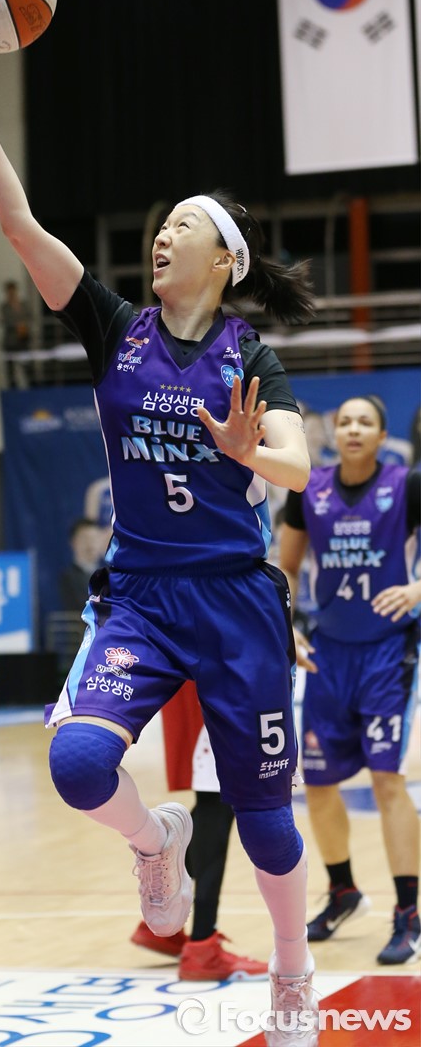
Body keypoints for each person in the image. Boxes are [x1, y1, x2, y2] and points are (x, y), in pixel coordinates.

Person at [0, 37, 320, 1044]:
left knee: (266, 819)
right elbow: (19, 226)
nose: (161, 237)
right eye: (160, 226)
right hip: (139, 595)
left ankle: (293, 970)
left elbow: (299, 467)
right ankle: (153, 841)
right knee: (81, 764)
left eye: (183, 227)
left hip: (236, 598)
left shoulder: (248, 354)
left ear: (224, 261)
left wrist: (249, 451)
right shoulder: (114, 327)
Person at [278, 395, 421, 966]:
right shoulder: (307, 489)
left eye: (365, 422)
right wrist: (286, 626)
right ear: (332, 432)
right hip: (328, 654)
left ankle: (408, 912)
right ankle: (343, 892)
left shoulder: (408, 485)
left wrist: (417, 589)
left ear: (383, 436)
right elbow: (287, 568)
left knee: (387, 780)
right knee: (317, 783)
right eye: (345, 421)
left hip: (388, 653)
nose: (354, 428)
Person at [131, 680, 269, 981]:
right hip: (214, 675)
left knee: (217, 796)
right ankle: (202, 945)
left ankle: (163, 921)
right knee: (218, 796)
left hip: (206, 675)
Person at [58, 517, 106, 613]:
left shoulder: (110, 574)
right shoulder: (68, 577)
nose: (90, 544)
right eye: (85, 539)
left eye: (94, 539)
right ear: (73, 542)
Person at [0, 278, 31, 387]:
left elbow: (29, 317)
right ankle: (13, 387)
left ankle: (29, 386)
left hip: (23, 339)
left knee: (26, 365)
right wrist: (18, 325)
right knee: (10, 369)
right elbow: (7, 321)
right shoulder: (4, 307)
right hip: (10, 341)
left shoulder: (23, 305)